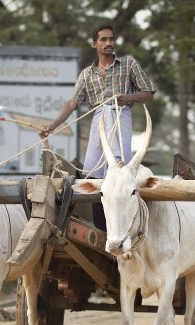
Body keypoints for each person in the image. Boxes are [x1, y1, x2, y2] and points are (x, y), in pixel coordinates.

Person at [39, 23, 155, 229]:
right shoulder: (87, 74)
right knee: (93, 176)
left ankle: (127, 224)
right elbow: (72, 102)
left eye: (111, 39)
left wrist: (127, 97)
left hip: (121, 117)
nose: (108, 43)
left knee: (119, 171)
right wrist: (53, 125)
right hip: (99, 121)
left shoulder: (128, 64)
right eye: (103, 40)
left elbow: (149, 94)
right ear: (95, 44)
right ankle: (102, 229)